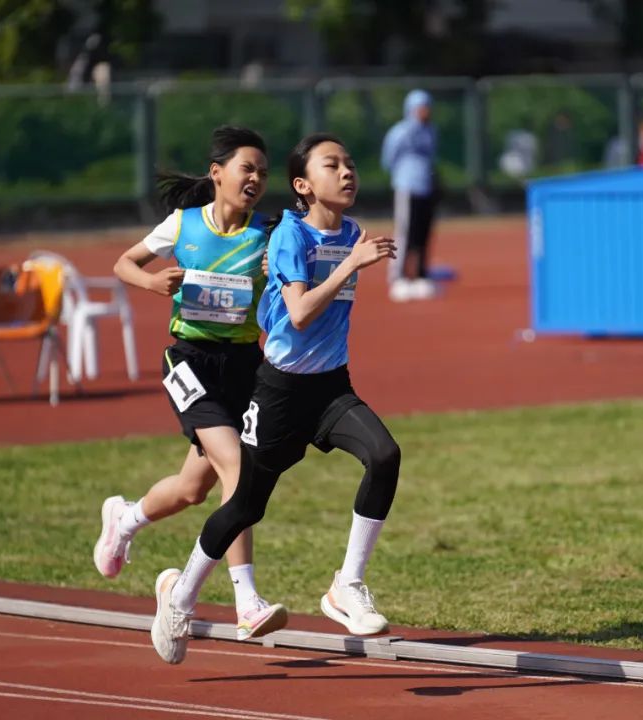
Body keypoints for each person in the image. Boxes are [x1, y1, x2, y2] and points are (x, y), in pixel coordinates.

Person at [150, 133, 400, 665]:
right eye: (333, 165)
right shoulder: (289, 237)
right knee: (244, 504)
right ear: (304, 185)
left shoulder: (351, 231)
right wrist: (350, 265)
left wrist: (351, 258)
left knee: (385, 454)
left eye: (351, 163)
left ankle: (346, 586)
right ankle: (182, 597)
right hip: (281, 392)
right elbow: (302, 312)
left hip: (332, 388)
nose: (348, 172)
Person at [95, 126, 287, 642]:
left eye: (263, 173)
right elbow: (123, 263)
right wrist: (154, 282)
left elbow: (283, 300)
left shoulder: (267, 236)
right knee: (238, 470)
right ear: (217, 173)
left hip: (244, 366)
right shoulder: (182, 226)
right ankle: (246, 600)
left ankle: (127, 519)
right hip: (189, 363)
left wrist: (277, 271)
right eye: (247, 168)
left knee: (191, 489)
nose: (255, 179)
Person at [381, 89, 438, 303]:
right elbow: (389, 158)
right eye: (421, 107)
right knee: (405, 233)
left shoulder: (431, 131)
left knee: (423, 233)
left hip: (426, 187)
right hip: (407, 187)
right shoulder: (400, 132)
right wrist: (403, 175)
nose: (425, 111)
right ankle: (398, 276)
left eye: (428, 106)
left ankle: (421, 274)